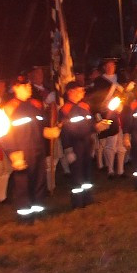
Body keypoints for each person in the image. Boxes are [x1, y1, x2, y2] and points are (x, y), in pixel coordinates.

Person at [2, 73, 52, 221]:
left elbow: (41, 124)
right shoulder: (9, 108)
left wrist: (48, 131)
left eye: (29, 85)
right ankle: (25, 215)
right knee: (23, 183)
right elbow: (5, 133)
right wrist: (13, 152)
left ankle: (38, 210)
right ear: (16, 88)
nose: (29, 88)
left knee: (39, 180)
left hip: (38, 147)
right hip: (21, 150)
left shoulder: (35, 105)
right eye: (25, 86)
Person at [57, 78, 96, 208]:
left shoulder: (85, 106)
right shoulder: (65, 110)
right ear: (71, 92)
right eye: (80, 91)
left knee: (87, 172)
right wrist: (68, 150)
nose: (82, 93)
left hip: (86, 143)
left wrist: (96, 129)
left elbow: (90, 124)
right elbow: (64, 132)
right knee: (77, 174)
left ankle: (88, 198)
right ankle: (77, 201)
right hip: (75, 145)